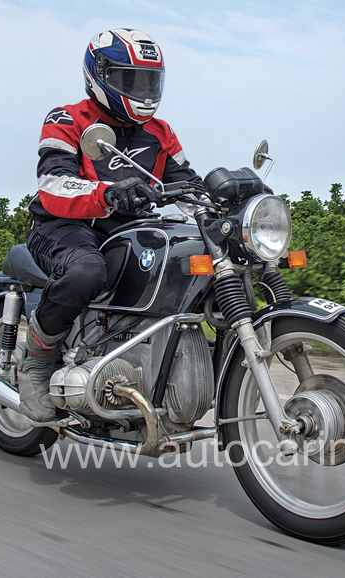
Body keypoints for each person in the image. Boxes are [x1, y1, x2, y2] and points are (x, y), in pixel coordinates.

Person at [18, 28, 205, 422]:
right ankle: (37, 361)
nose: (142, 91)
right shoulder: (68, 119)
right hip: (65, 226)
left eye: (149, 81)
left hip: (126, 230)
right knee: (86, 272)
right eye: (130, 80)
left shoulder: (160, 133)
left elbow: (187, 185)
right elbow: (53, 185)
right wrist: (107, 194)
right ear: (99, 75)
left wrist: (229, 193)